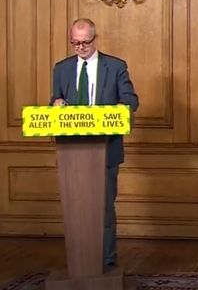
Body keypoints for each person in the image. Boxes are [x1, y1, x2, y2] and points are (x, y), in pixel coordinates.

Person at [50, 18, 139, 269]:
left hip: (105, 149)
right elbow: (54, 101)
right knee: (75, 209)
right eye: (75, 43)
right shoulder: (61, 68)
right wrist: (56, 102)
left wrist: (123, 106)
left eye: (85, 43)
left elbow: (131, 99)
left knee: (103, 209)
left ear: (94, 39)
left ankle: (106, 261)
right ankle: (78, 263)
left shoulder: (115, 66)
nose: (80, 47)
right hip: (71, 151)